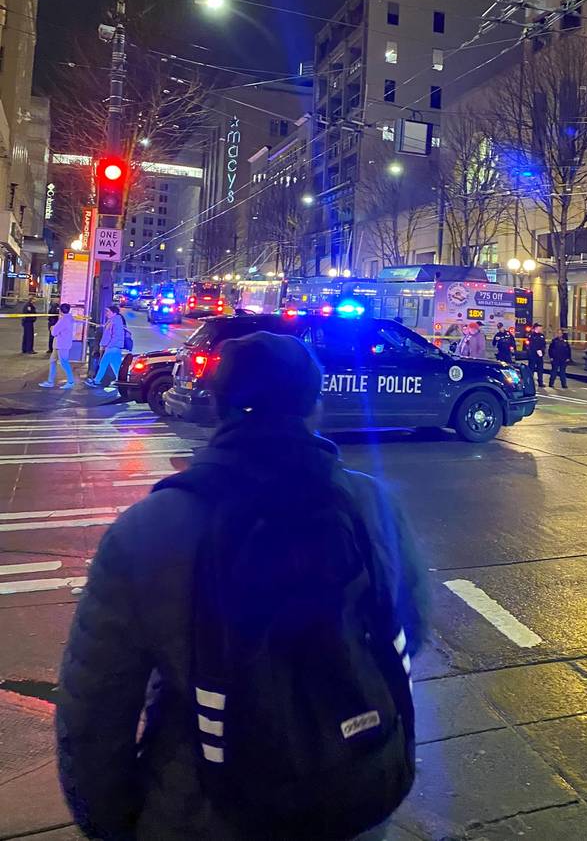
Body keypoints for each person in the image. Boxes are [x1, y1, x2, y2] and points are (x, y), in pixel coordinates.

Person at [57, 331, 428, 841]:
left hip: (207, 804)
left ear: (218, 405)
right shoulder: (371, 504)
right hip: (354, 783)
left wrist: (115, 823)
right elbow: (411, 629)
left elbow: (95, 712)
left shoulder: (152, 526)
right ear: (314, 404)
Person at [86, 304, 126, 391]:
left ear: (114, 313)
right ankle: (123, 381)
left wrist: (109, 345)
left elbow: (116, 335)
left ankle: (96, 381)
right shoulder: (112, 320)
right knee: (116, 365)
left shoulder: (116, 321)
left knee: (103, 364)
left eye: (108, 311)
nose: (106, 313)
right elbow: (108, 330)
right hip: (113, 347)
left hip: (112, 347)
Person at [39, 303, 77, 389]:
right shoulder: (70, 318)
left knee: (64, 362)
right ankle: (50, 381)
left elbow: (54, 332)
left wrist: (52, 327)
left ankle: (70, 381)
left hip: (62, 345)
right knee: (52, 361)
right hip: (60, 344)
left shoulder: (63, 320)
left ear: (60, 311)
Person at [527, 323, 546, 388]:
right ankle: (530, 382)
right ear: (536, 328)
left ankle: (540, 382)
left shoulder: (542, 336)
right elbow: (530, 345)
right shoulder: (531, 336)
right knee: (531, 369)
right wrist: (536, 350)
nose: (541, 329)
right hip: (533, 355)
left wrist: (542, 351)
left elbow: (543, 344)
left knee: (540, 369)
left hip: (540, 355)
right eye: (539, 328)